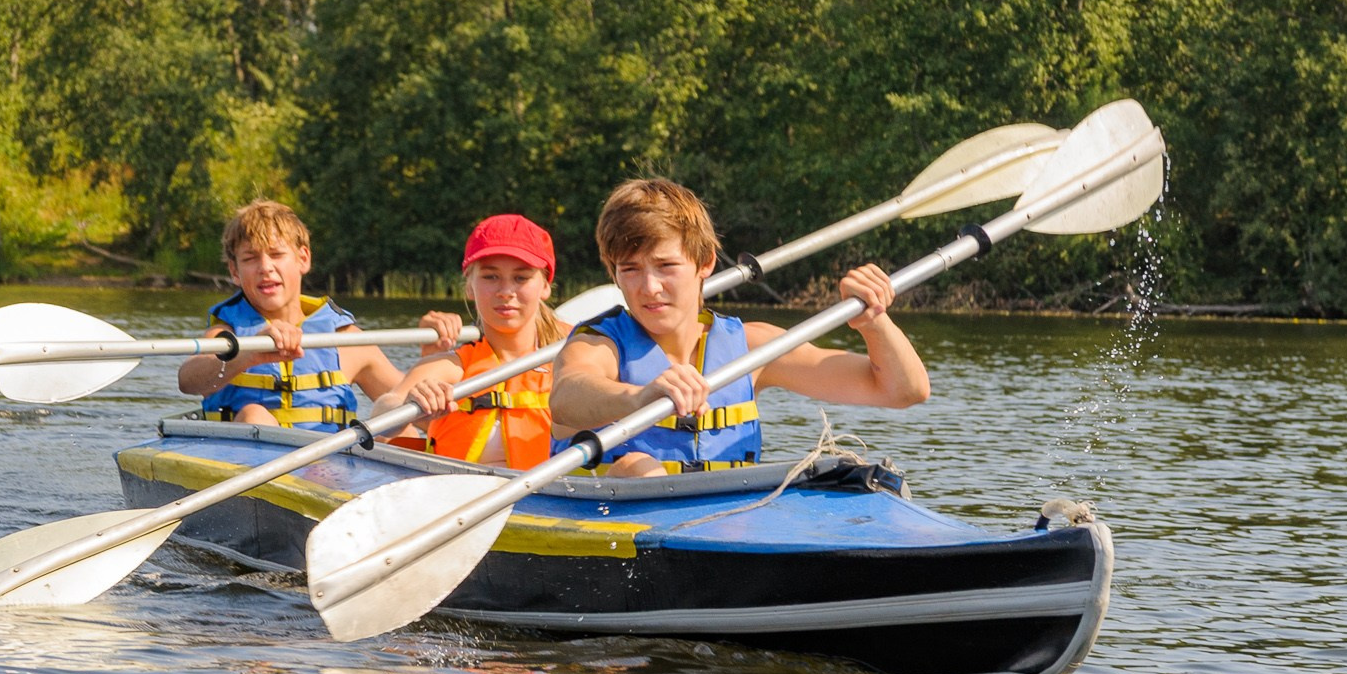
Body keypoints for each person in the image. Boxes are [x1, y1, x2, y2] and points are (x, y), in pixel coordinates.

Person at [551, 177, 927, 477]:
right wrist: (636, 398)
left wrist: (874, 323)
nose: (649, 287)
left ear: (705, 263)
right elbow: (567, 398)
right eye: (630, 270)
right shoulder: (598, 343)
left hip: (721, 523)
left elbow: (903, 391)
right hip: (614, 518)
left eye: (666, 266)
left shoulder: (751, 348)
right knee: (637, 466)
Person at [178, 199, 462, 432]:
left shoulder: (344, 338)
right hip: (242, 464)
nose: (265, 268)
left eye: (276, 255)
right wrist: (246, 355)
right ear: (234, 272)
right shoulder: (227, 332)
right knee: (254, 415)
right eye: (250, 258)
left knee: (400, 431)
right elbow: (189, 381)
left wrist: (432, 355)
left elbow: (400, 402)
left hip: (327, 472)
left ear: (303, 259)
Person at [374, 213, 570, 469]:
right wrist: (412, 401)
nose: (506, 291)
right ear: (469, 286)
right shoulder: (452, 367)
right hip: (465, 499)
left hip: (557, 502)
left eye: (521, 278)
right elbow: (383, 408)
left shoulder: (574, 355)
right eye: (490, 276)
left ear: (545, 286)